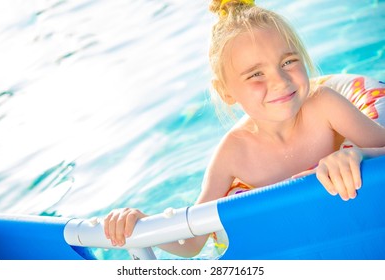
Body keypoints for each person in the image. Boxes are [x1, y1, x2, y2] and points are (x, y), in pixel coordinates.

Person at [103, 0, 385, 258]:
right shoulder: (233, 154)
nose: (279, 80)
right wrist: (140, 224)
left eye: (288, 61)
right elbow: (192, 243)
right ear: (226, 92)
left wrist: (359, 153)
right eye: (256, 74)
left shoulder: (324, 106)